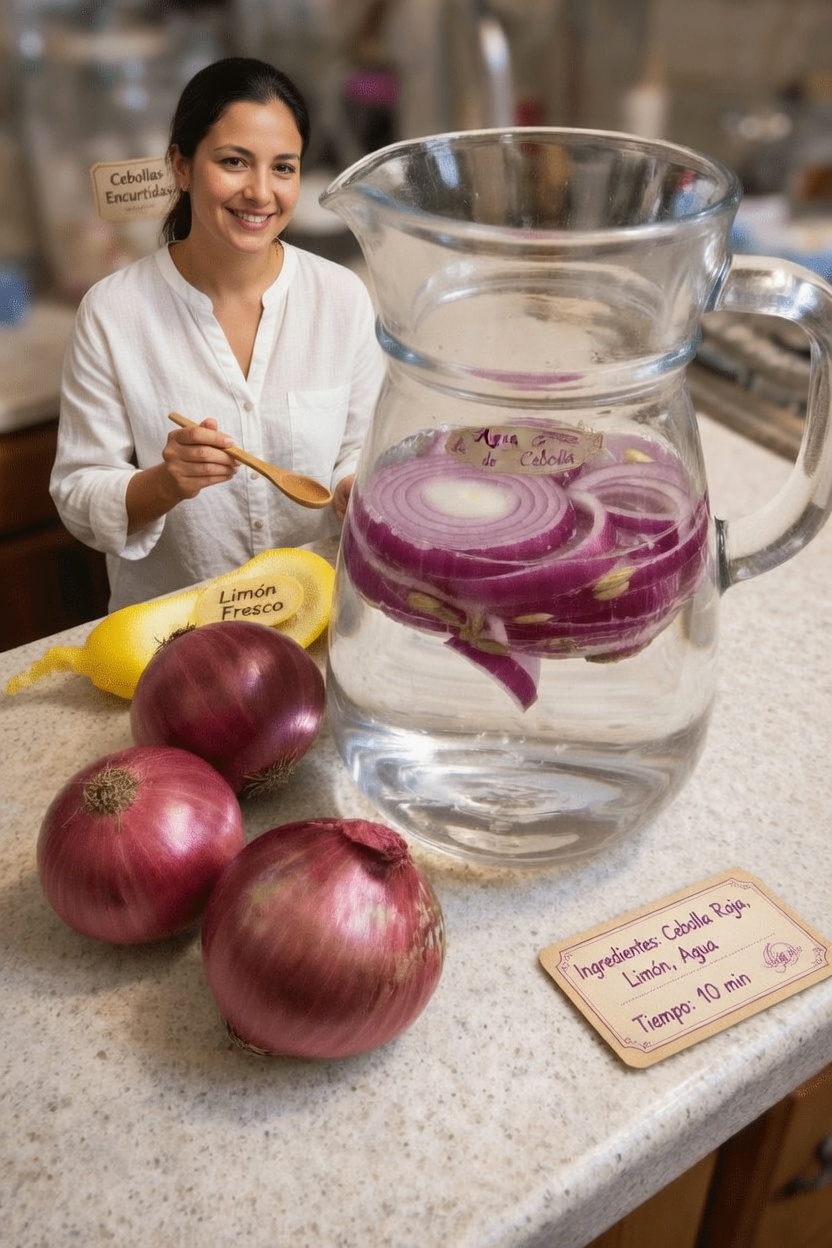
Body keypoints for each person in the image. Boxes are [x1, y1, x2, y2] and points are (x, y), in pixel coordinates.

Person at [51, 57, 385, 611]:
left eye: (284, 168)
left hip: (317, 611)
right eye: (234, 162)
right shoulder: (113, 312)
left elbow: (362, 449)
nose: (260, 192)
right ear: (181, 167)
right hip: (175, 633)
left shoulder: (341, 297)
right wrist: (166, 483)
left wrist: (352, 486)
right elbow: (78, 493)